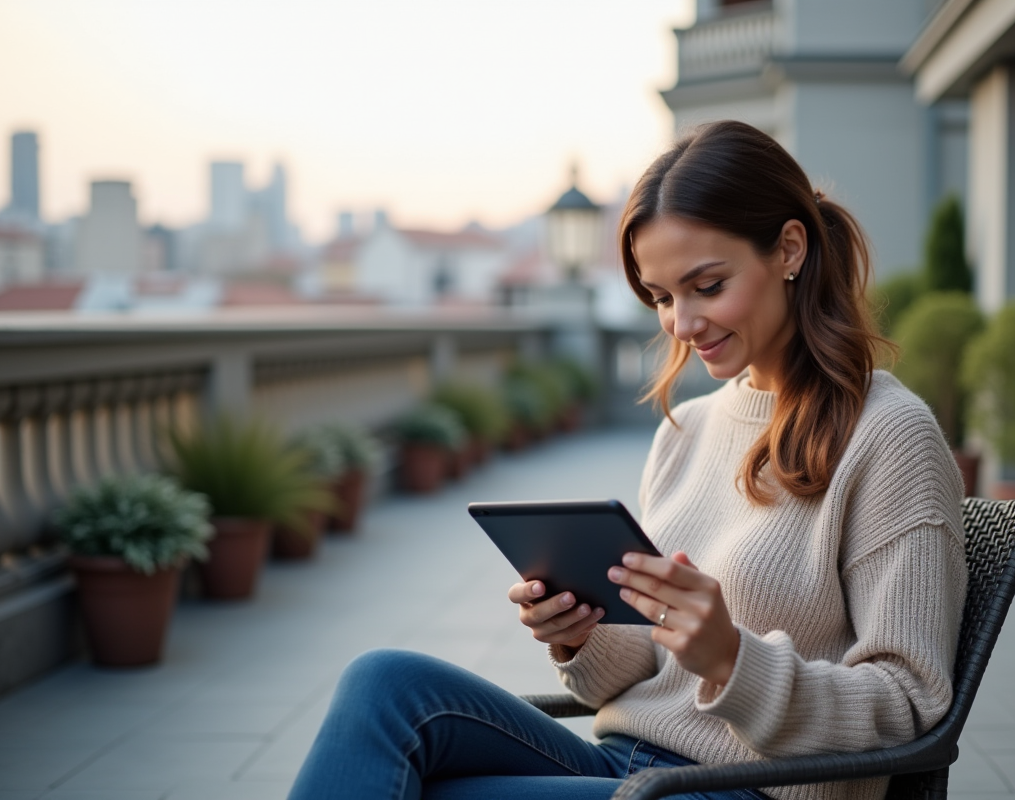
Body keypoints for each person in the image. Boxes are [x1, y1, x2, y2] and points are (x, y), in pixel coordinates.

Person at [287, 120, 968, 800]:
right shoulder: (687, 432)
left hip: (750, 788)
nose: (682, 324)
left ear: (790, 249)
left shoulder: (889, 434)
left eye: (707, 285)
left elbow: (911, 705)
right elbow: (642, 664)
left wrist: (732, 659)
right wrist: (579, 636)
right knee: (383, 684)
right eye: (663, 297)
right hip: (629, 765)